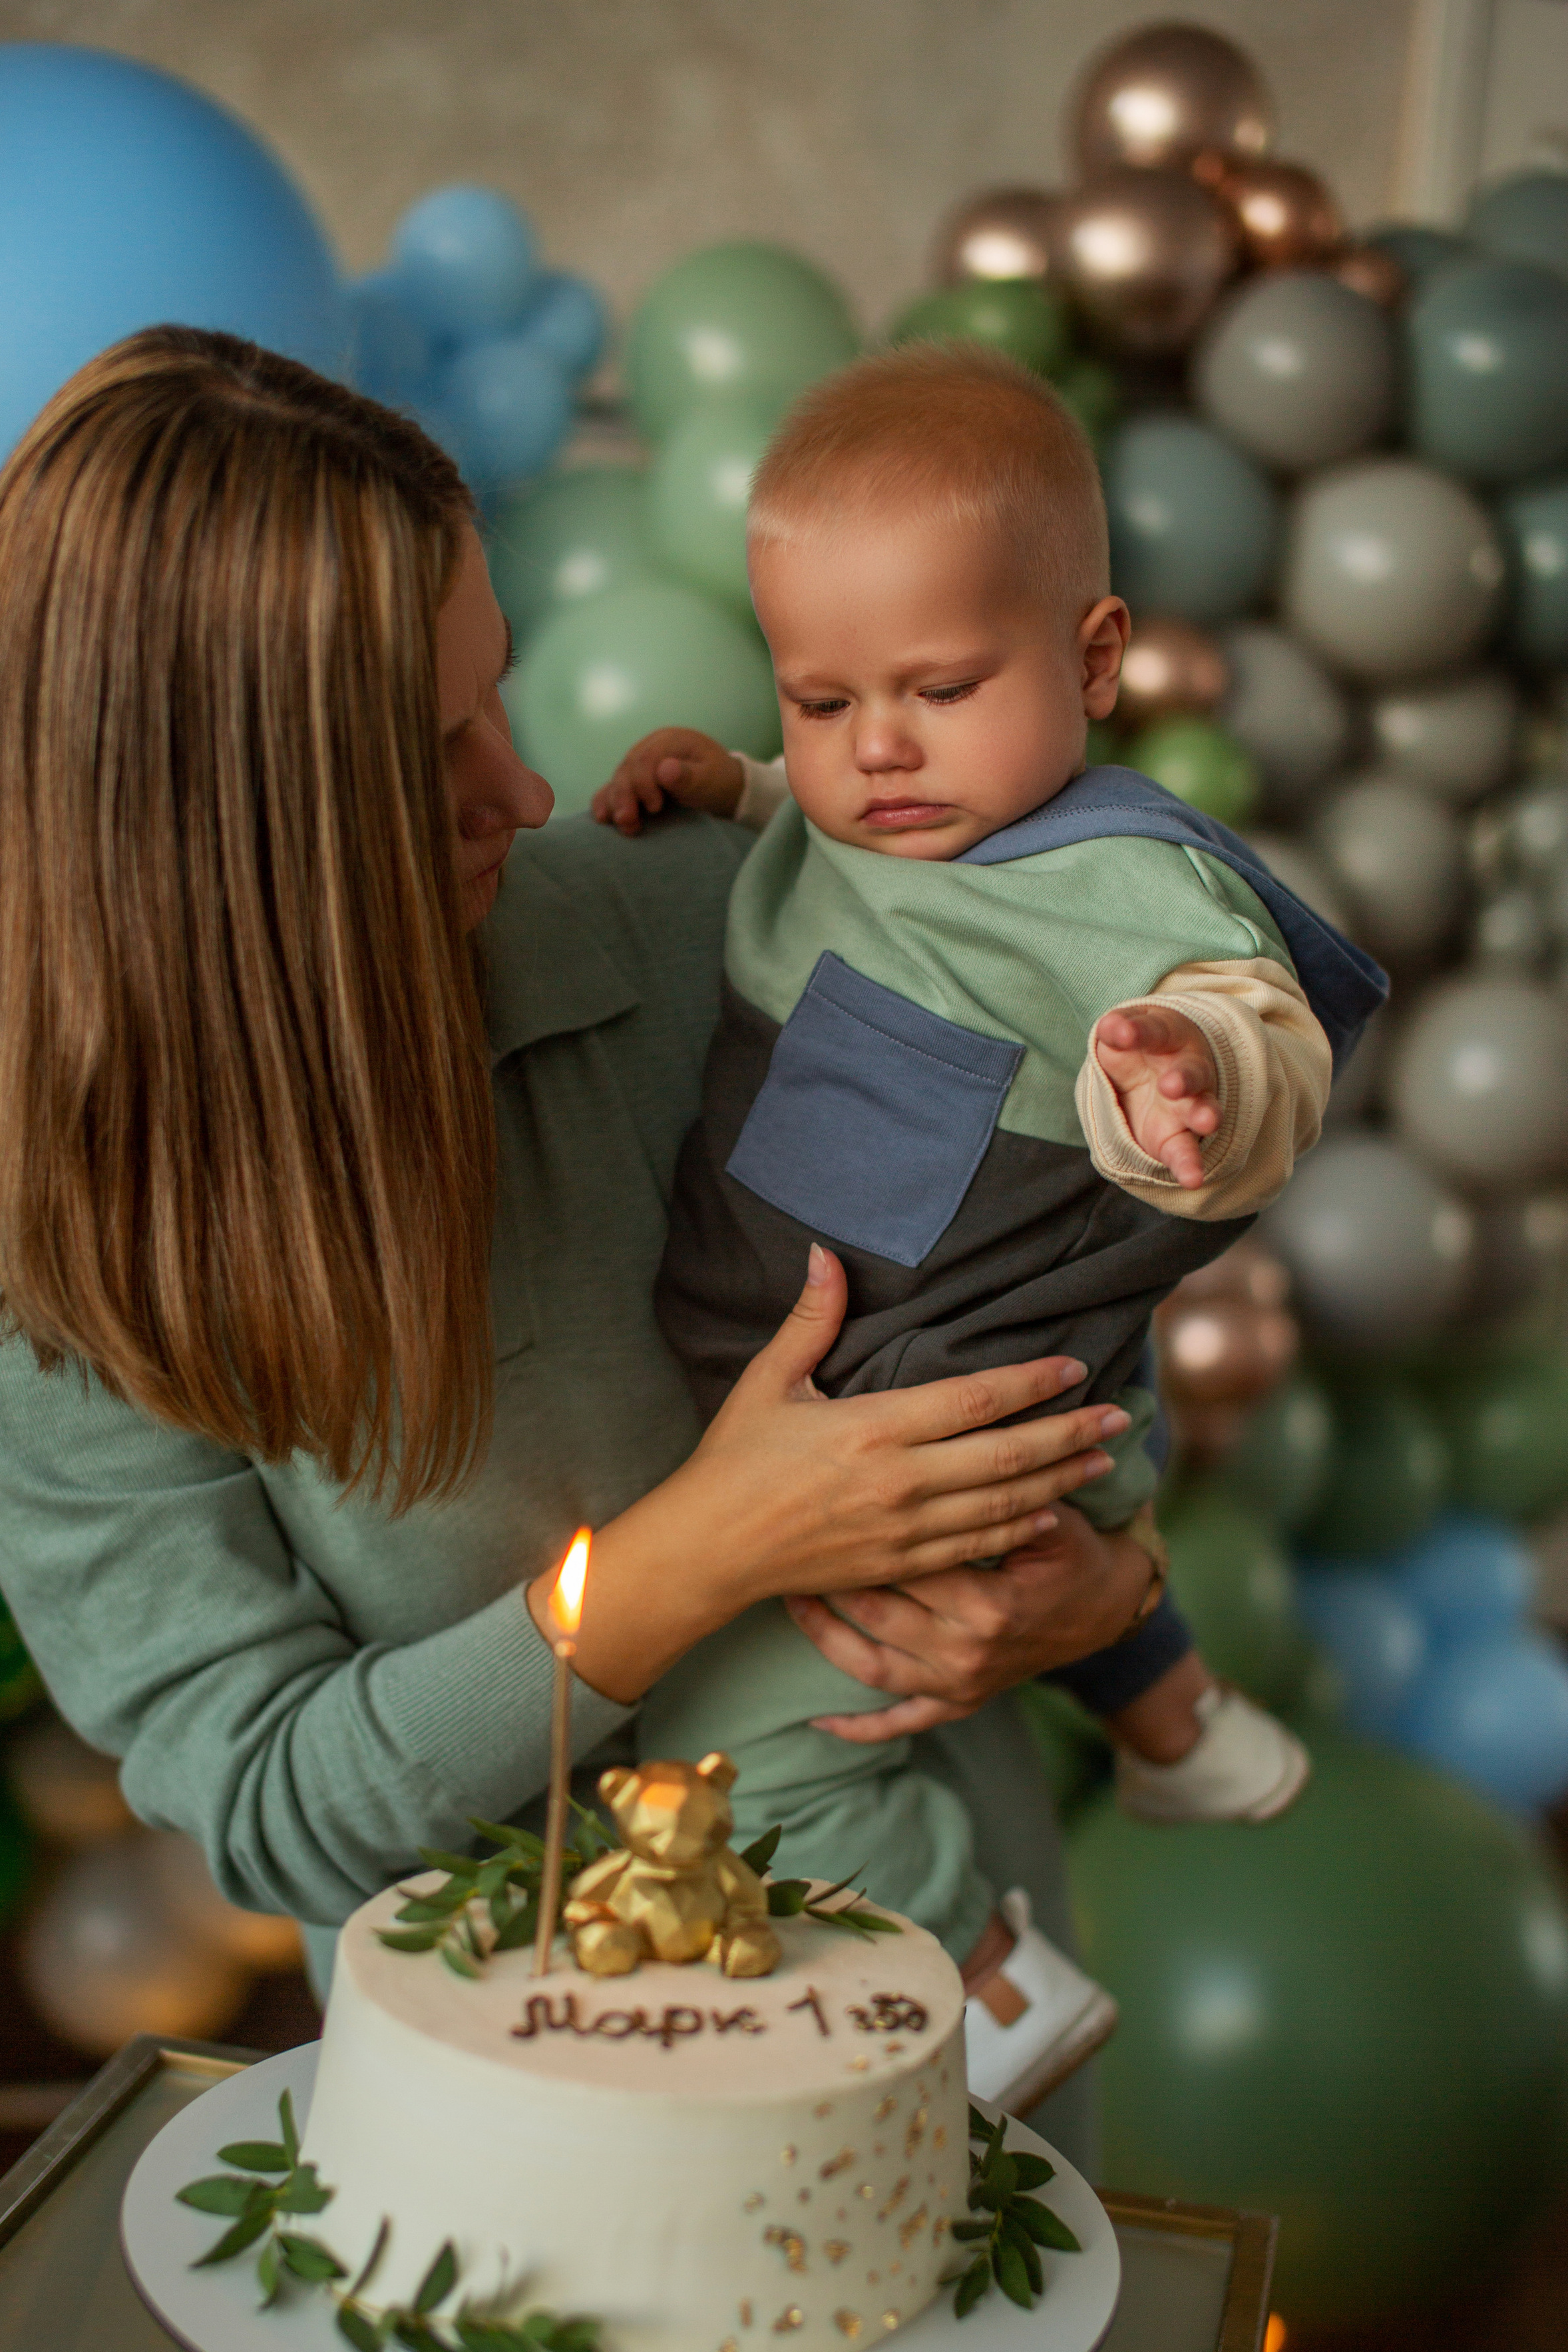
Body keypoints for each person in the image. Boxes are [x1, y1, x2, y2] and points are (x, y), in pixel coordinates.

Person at [0, 326, 1159, 2159]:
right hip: (525, 2152)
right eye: (433, 747)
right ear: (225, 841)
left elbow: (1055, 1253)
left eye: (505, 694)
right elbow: (277, 1805)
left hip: (949, 1992)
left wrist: (1100, 1579)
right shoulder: (44, 1275)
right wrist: (696, 1554)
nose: (526, 789)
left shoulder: (696, 915)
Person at [592, 342, 1386, 2108]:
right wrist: (730, 786)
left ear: (1093, 659)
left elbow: (1265, 1041)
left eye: (941, 689)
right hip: (824, 1322)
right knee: (1048, 1557)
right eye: (818, 699)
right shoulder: (881, 801)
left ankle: (990, 1986)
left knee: (769, 1733)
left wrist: (1183, 1076)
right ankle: (1171, 1718)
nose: (877, 752)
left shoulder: (1123, 887)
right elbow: (826, 827)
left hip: (942, 1358)